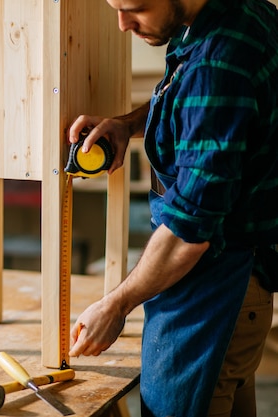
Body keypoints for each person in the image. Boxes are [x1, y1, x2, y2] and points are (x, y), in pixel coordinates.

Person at [67, 0, 278, 416]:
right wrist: (128, 124)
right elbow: (190, 100)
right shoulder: (223, 15)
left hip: (218, 283)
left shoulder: (219, 62)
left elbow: (189, 231)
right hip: (230, 277)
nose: (123, 24)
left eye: (135, 8)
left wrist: (116, 305)